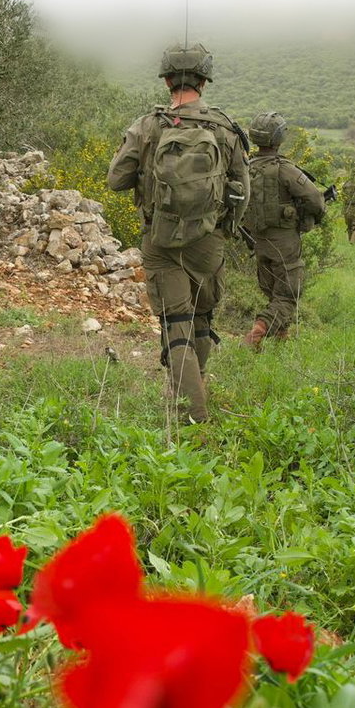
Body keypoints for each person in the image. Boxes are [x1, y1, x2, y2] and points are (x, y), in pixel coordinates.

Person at [107, 42, 249, 423]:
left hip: (161, 239)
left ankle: (193, 418)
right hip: (209, 241)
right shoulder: (225, 127)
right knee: (202, 319)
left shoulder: (148, 124)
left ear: (167, 79)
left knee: (177, 326)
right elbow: (243, 191)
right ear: (204, 80)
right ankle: (196, 388)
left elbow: (115, 180)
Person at [240, 113, 325, 349]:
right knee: (287, 296)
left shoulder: (246, 168)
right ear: (279, 138)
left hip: (258, 242)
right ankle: (256, 334)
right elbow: (315, 200)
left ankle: (280, 343)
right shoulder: (285, 169)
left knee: (273, 294)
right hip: (285, 243)